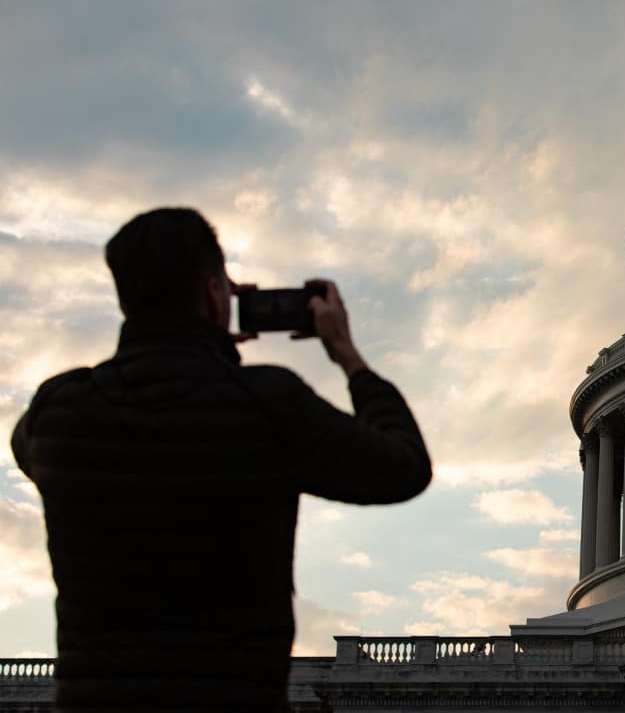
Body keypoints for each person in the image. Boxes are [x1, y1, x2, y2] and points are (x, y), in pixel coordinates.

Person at [9, 208, 432, 710]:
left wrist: (192, 345)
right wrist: (346, 354)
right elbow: (404, 467)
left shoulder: (59, 411)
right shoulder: (267, 403)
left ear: (124, 297)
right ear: (215, 295)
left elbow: (32, 446)